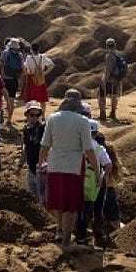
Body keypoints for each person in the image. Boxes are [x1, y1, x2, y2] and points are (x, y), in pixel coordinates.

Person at [38, 89, 99, 251]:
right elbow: (88, 149)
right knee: (70, 206)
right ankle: (66, 241)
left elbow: (45, 144)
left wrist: (40, 163)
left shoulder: (53, 118)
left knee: (58, 201)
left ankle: (59, 230)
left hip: (55, 165)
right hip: (73, 166)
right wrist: (98, 171)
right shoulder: (82, 121)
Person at [77, 126, 122, 247]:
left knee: (85, 210)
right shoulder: (101, 148)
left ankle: (82, 235)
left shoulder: (79, 147)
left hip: (85, 184)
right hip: (101, 185)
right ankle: (99, 235)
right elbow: (109, 165)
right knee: (99, 211)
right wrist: (105, 177)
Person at [98, 37, 128, 123]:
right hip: (118, 79)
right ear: (115, 45)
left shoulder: (109, 56)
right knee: (114, 96)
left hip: (110, 79)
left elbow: (108, 70)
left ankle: (102, 114)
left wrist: (104, 81)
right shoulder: (119, 53)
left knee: (101, 96)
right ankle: (113, 112)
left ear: (106, 46)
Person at [21, 100, 47, 201]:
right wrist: (20, 165)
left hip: (41, 169)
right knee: (33, 198)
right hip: (31, 169)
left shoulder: (42, 129)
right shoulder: (26, 129)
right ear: (26, 115)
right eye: (32, 115)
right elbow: (26, 148)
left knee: (43, 199)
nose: (35, 118)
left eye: (38, 115)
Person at [0, 37, 24, 121]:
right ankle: (9, 119)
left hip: (3, 79)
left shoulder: (5, 53)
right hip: (14, 80)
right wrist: (20, 81)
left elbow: (0, 65)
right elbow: (23, 69)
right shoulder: (20, 55)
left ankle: (0, 114)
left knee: (0, 98)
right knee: (11, 100)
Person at [22, 41, 52, 108]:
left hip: (31, 78)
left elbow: (24, 67)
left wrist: (25, 73)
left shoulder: (29, 58)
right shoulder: (42, 57)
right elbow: (52, 65)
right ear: (38, 49)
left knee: (30, 99)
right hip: (40, 78)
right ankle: (43, 116)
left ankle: (30, 114)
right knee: (42, 99)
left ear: (31, 49)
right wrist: (45, 73)